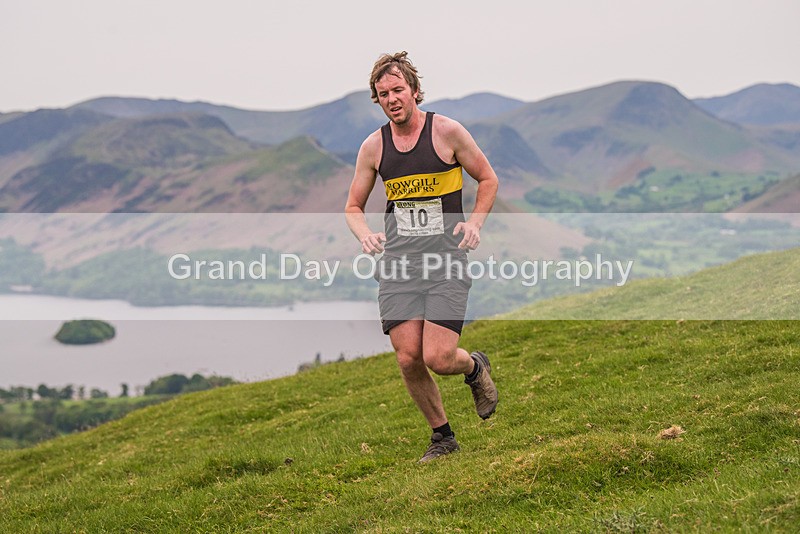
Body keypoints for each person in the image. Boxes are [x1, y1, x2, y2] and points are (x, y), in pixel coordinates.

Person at [345, 51, 500, 462]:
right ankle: (443, 437)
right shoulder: (374, 147)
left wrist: (475, 224)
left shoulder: (447, 132)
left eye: (398, 90)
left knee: (439, 357)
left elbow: (487, 178)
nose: (392, 99)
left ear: (414, 90)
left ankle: (474, 367)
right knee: (408, 357)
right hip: (399, 265)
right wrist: (365, 235)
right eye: (383, 94)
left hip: (446, 261)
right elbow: (353, 207)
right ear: (377, 99)